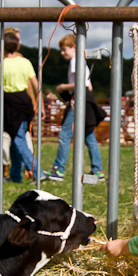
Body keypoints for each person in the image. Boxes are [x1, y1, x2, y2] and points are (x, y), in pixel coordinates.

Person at [0, 32, 47, 184]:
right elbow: (37, 85)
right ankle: (15, 175)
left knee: (19, 139)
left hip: (9, 104)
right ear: (17, 45)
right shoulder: (25, 62)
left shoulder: (1, 65)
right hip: (24, 101)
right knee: (15, 137)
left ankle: (37, 172)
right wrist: (40, 105)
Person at [47, 34, 105, 181]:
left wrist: (62, 87)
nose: (62, 53)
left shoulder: (75, 60)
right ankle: (98, 171)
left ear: (74, 47)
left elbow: (81, 83)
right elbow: (89, 85)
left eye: (64, 49)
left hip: (78, 99)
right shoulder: (82, 62)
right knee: (88, 135)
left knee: (65, 134)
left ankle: (59, 169)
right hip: (87, 99)